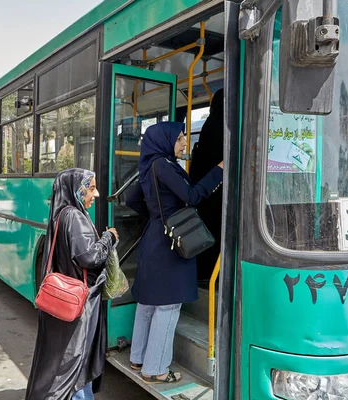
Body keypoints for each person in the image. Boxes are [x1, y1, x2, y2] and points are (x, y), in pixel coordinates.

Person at [126, 122, 223, 383]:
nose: (184, 144)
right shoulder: (164, 165)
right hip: (170, 247)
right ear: (165, 141)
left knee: (148, 303)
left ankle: (138, 358)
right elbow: (191, 197)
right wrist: (218, 172)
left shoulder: (148, 166)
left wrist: (158, 218)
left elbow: (132, 200)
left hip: (154, 241)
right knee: (168, 308)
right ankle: (155, 369)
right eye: (180, 138)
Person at [26, 168, 119, 400]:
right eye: (91, 188)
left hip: (66, 303)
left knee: (66, 363)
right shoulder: (74, 216)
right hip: (80, 307)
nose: (95, 195)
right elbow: (88, 257)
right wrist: (109, 237)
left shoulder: (61, 214)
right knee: (76, 364)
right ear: (76, 190)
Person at [189, 89, 224, 283]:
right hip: (215, 191)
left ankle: (205, 273)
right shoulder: (224, 127)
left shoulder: (209, 126)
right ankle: (214, 276)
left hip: (205, 193)